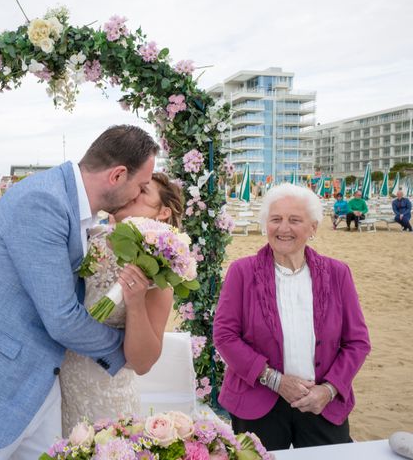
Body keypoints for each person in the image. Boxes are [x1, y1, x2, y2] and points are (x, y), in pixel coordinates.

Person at [0, 125, 159, 459]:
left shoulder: (82, 212)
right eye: (142, 185)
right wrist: (125, 350)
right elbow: (61, 317)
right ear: (118, 175)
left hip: (40, 385)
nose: (140, 194)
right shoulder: (42, 200)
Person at [213, 183, 371, 451]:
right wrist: (275, 380)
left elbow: (357, 342)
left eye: (295, 220)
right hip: (257, 402)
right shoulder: (242, 272)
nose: (283, 228)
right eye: (276, 219)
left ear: (313, 228)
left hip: (321, 403)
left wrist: (329, 390)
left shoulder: (338, 273)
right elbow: (225, 336)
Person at [60, 172, 183, 434]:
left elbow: (143, 363)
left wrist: (136, 303)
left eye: (142, 191)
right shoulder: (88, 235)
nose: (132, 193)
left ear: (162, 213)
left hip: (105, 399)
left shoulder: (159, 273)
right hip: (54, 390)